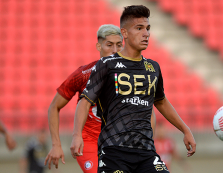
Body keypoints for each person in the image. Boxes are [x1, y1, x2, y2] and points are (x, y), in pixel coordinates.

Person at [70, 5, 196, 173]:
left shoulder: (153, 68)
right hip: (113, 152)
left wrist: (185, 130)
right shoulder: (106, 65)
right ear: (125, 33)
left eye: (148, 28)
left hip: (146, 152)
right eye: (139, 28)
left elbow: (161, 101)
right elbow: (84, 102)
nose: (146, 33)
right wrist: (77, 135)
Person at [44, 24, 157, 172]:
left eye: (118, 45)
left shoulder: (130, 75)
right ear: (99, 46)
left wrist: (147, 144)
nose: (114, 50)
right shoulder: (83, 74)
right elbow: (54, 106)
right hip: (90, 142)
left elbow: (148, 112)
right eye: (109, 45)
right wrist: (56, 144)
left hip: (121, 142)